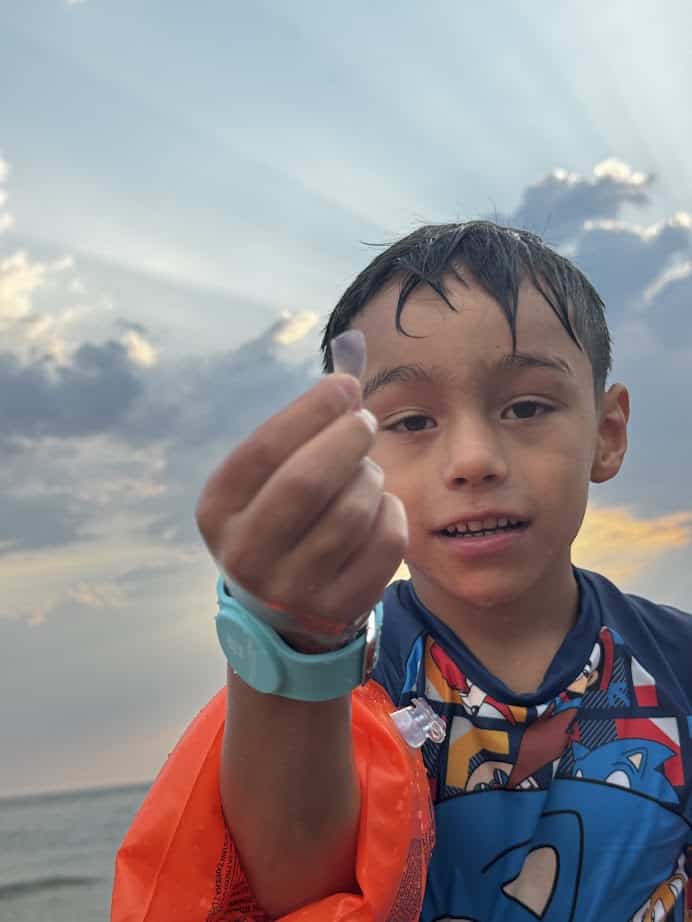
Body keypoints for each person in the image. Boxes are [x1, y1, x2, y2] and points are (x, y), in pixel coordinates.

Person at [112, 221, 692, 922]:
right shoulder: (346, 670)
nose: (474, 459)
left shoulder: (680, 662)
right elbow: (295, 892)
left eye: (527, 407)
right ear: (353, 456)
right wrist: (287, 641)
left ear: (607, 434)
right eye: (413, 423)